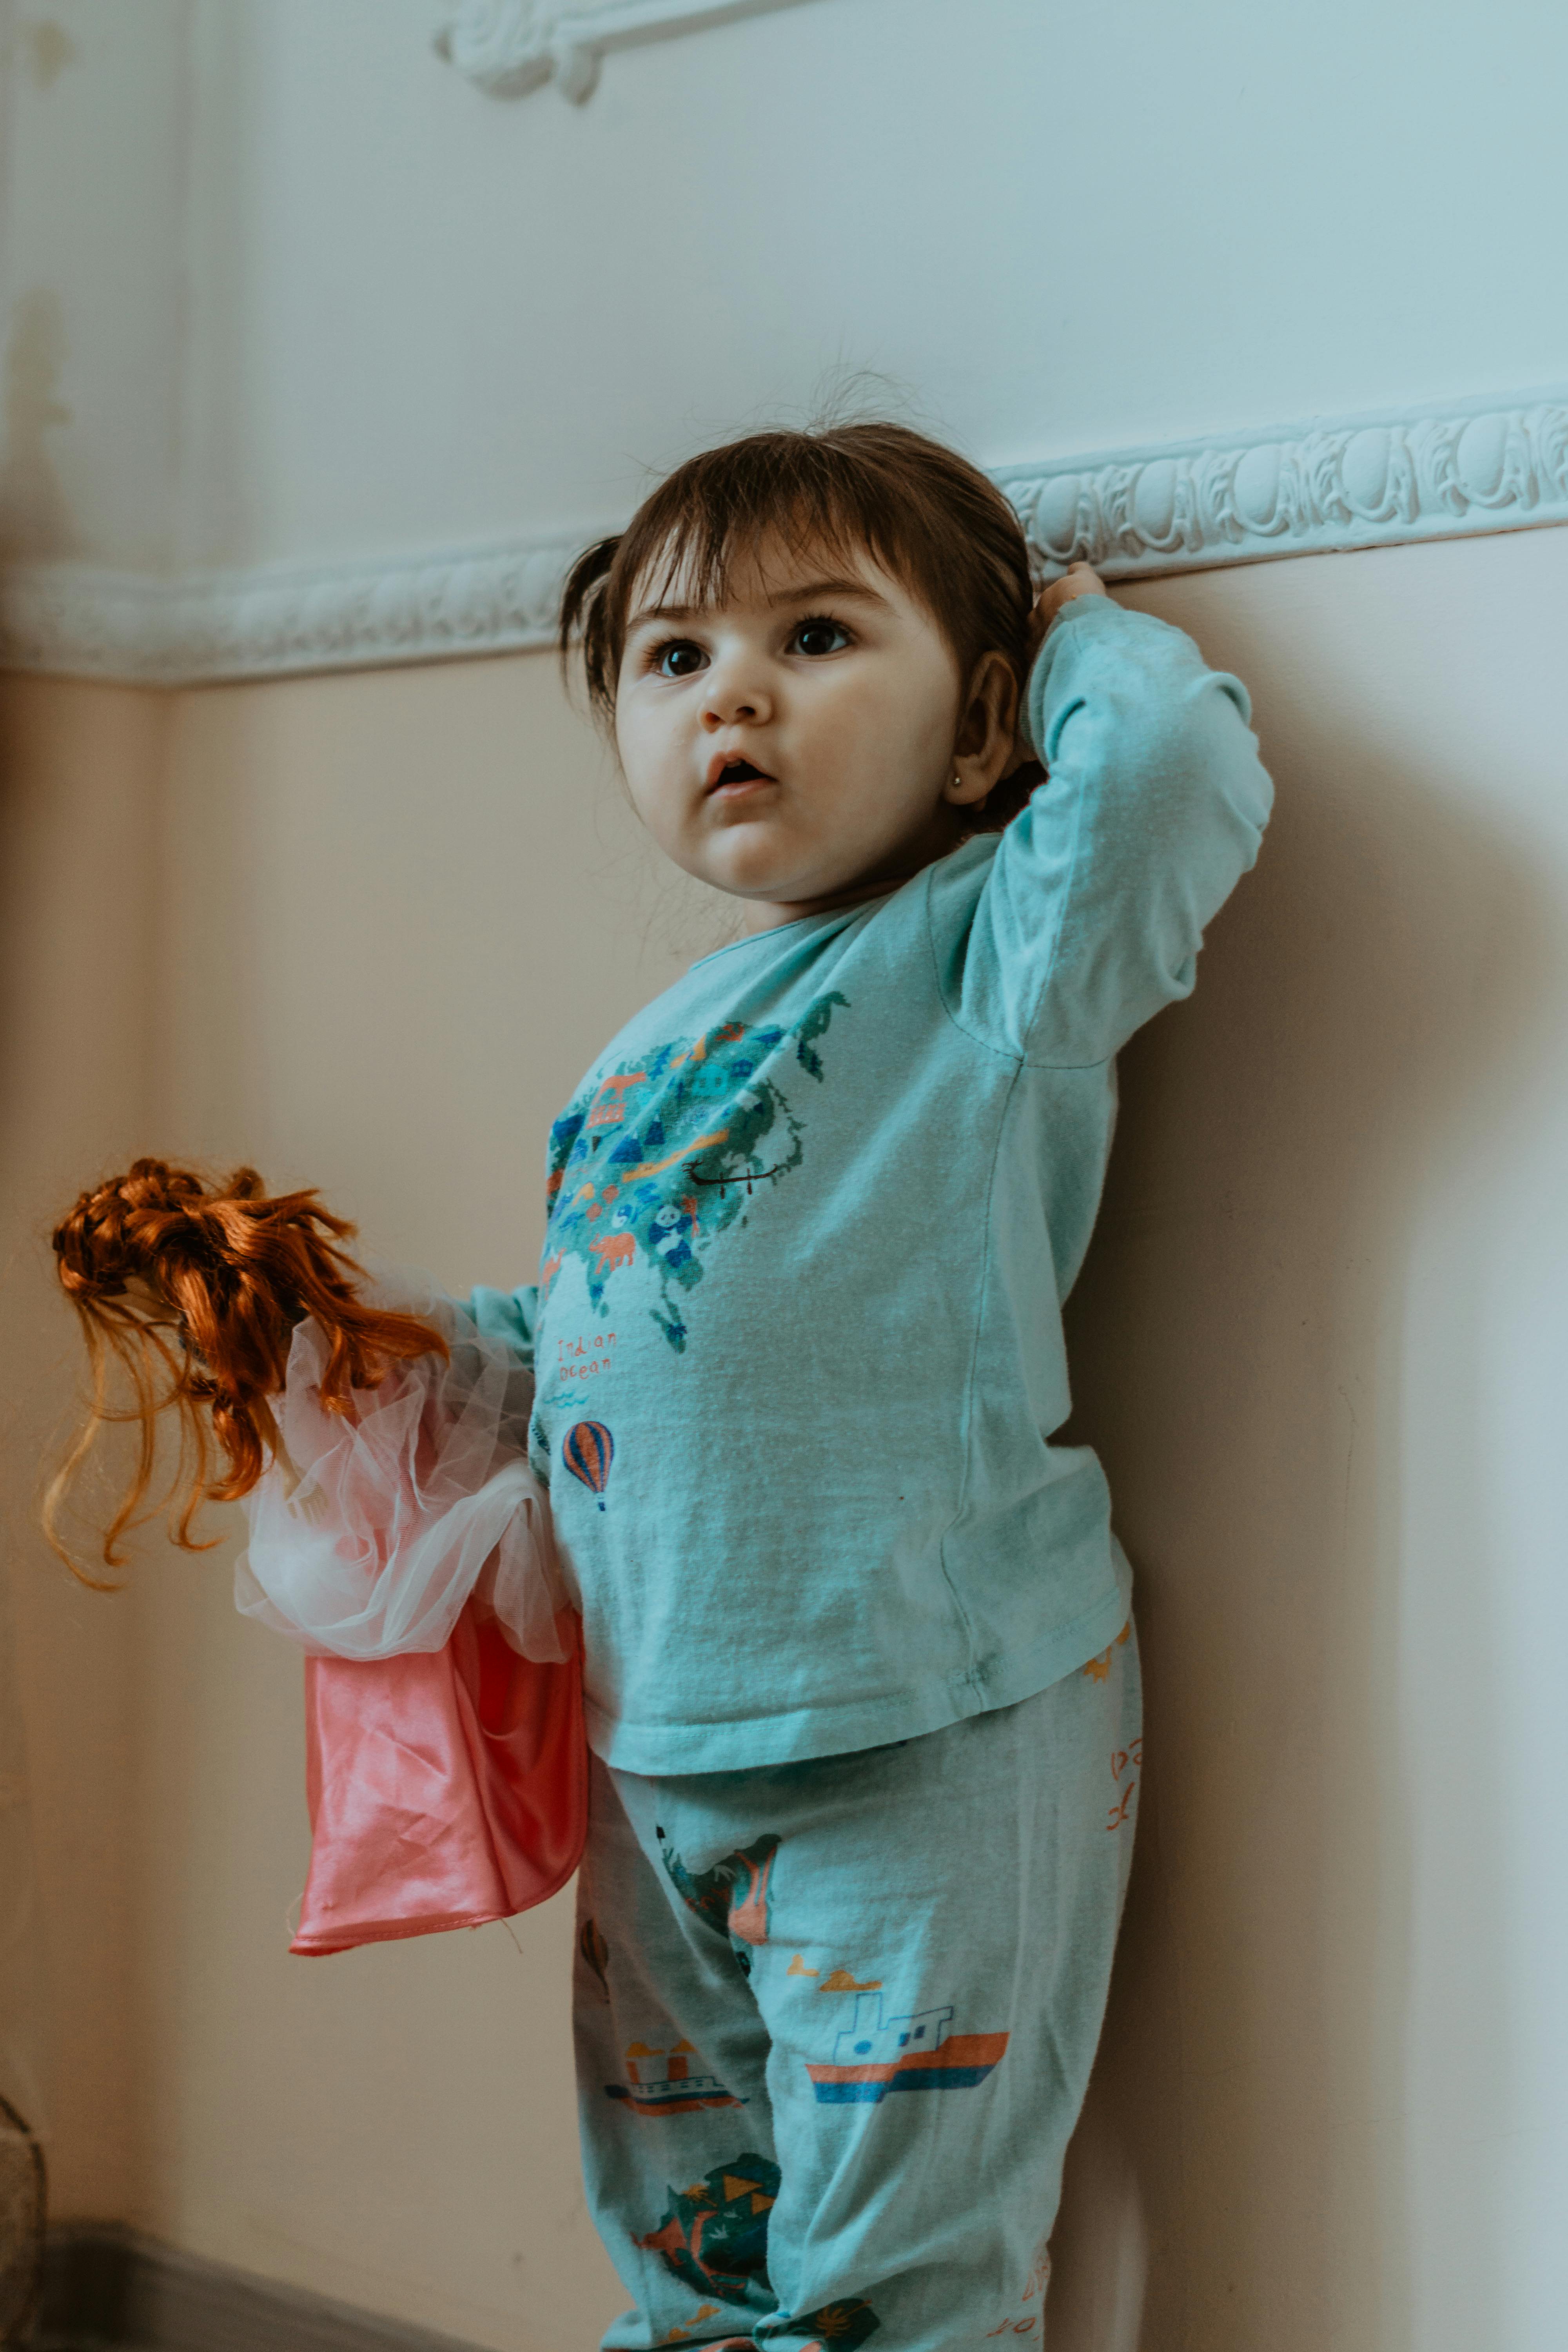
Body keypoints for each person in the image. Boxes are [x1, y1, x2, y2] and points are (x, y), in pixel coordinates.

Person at [49, 421, 1272, 2350]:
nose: (737, 700)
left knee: (898, 2291)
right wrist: (356, 1338)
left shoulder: (994, 955)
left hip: (920, 1729)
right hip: (662, 1751)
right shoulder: (647, 1049)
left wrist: (1068, 634)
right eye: (675, 657)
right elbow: (586, 1346)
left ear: (974, 732)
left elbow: (1177, 779)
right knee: (694, 2253)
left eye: (816, 639)